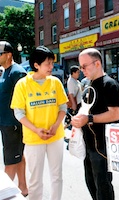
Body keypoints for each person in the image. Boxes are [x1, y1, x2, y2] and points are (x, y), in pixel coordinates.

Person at [10, 46, 68, 200]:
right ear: (36, 65)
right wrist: (36, 130)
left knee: (57, 175)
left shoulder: (55, 82)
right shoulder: (22, 84)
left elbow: (63, 107)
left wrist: (55, 126)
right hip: (33, 138)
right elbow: (19, 112)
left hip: (55, 136)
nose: (51, 67)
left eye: (52, 63)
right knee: (35, 178)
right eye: (48, 63)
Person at [71, 48, 119, 200]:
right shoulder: (88, 85)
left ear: (97, 63)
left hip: (103, 146)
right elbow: (85, 110)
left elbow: (115, 114)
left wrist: (89, 119)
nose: (82, 70)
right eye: (80, 67)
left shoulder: (110, 84)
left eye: (84, 66)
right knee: (92, 183)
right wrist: (78, 119)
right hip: (89, 144)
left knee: (103, 186)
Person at [0, 41, 28, 196]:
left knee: (10, 162)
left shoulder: (17, 72)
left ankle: (4, 193)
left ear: (8, 55)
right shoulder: (6, 71)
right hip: (7, 124)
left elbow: (25, 99)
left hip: (13, 125)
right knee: (17, 155)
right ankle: (23, 187)